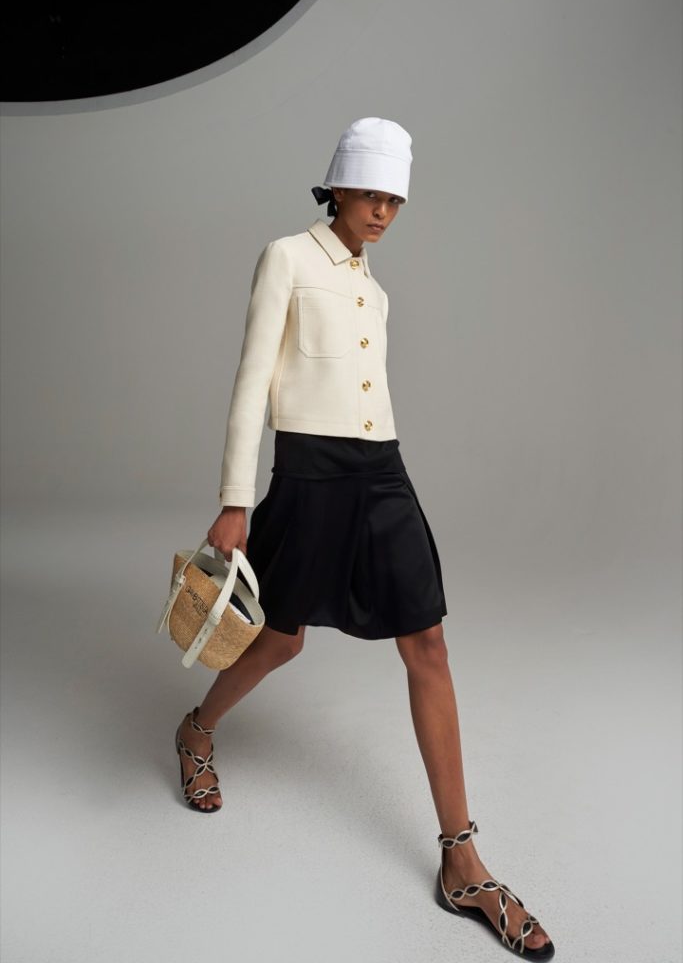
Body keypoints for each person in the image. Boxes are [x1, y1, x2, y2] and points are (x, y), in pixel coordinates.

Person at [173, 118, 555, 959]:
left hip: (382, 471)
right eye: (371, 194)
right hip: (309, 475)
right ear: (337, 187)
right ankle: (197, 730)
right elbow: (251, 382)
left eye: (395, 200)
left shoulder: (374, 292)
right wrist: (234, 499)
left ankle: (461, 860)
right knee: (280, 640)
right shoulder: (285, 257)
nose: (382, 211)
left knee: (427, 641)